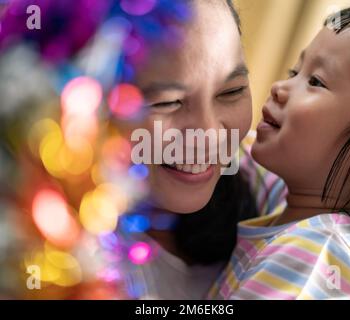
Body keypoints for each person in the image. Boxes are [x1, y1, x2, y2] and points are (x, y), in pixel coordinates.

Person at [107, 0, 287, 299]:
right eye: (166, 102)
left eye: (232, 91)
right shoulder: (44, 243)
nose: (211, 135)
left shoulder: (273, 178)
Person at [209, 4, 350, 300]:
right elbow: (229, 148)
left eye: (315, 82)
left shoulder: (317, 257)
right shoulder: (298, 202)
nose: (279, 87)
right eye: (294, 71)